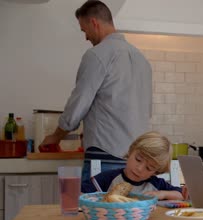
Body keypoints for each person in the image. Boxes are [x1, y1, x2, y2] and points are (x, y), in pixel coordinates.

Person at [39, 0, 152, 183]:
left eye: (84, 31)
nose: (86, 37)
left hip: (105, 156)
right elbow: (145, 110)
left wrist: (55, 136)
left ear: (94, 23)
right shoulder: (141, 59)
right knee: (127, 211)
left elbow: (78, 105)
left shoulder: (97, 54)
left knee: (95, 211)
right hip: (137, 162)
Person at [82, 131, 183, 201]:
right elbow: (80, 194)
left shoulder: (155, 184)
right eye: (138, 159)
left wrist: (162, 194)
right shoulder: (108, 178)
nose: (139, 168)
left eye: (149, 168)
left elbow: (180, 194)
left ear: (156, 172)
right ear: (130, 151)